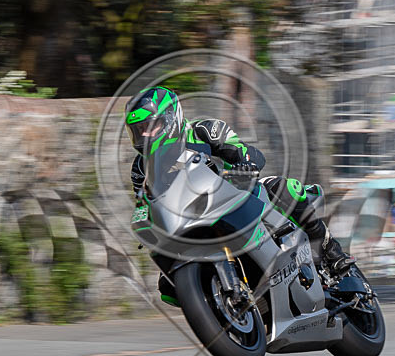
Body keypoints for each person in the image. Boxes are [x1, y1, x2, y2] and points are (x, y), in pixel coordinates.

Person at [124, 86, 354, 302]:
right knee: (168, 286)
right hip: (191, 220)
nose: (144, 135)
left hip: (236, 197)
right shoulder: (140, 168)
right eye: (138, 131)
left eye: (149, 126)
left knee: (284, 187)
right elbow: (146, 204)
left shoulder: (203, 131)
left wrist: (246, 164)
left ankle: (330, 252)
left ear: (171, 118)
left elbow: (245, 152)